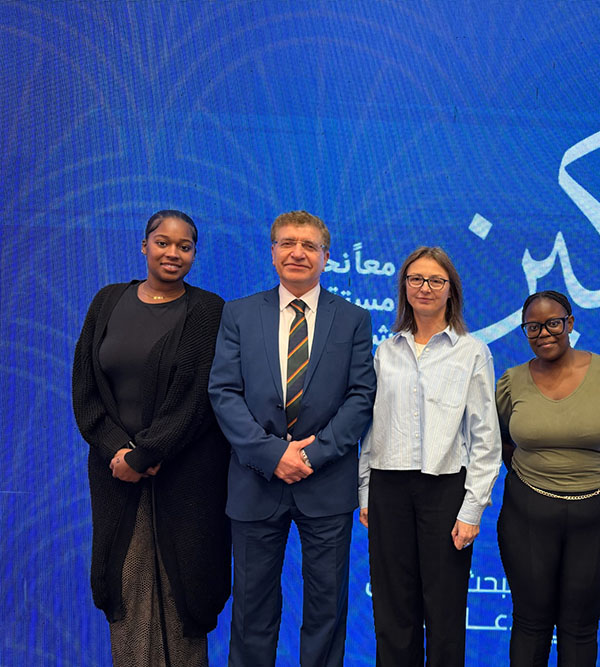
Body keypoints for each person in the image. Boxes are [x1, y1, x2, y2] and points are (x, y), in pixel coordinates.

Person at [208, 210, 376, 667]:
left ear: (326, 256)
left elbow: (362, 396)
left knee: (326, 609)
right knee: (251, 609)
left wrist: (313, 455)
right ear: (273, 251)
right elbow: (223, 392)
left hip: (325, 485)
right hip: (254, 482)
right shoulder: (239, 313)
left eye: (308, 245)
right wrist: (272, 454)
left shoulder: (354, 319)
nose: (297, 252)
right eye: (286, 243)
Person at [72, 209, 231, 667]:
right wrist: (118, 452)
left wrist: (147, 452)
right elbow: (86, 389)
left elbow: (199, 397)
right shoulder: (106, 301)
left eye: (184, 246)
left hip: (186, 477)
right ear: (144, 246)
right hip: (114, 473)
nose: (173, 253)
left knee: (185, 589)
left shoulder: (208, 310)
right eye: (163, 242)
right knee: (124, 580)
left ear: (195, 254)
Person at [359, 246, 502, 666]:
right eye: (416, 279)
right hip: (388, 488)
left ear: (451, 291)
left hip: (445, 493)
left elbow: (485, 440)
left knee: (444, 611)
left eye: (435, 280)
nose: (425, 287)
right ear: (404, 287)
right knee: (392, 611)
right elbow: (370, 430)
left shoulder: (472, 352)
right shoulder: (384, 352)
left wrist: (472, 509)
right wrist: (366, 492)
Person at [495, 289, 600, 666]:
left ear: (570, 323)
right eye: (533, 327)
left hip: (599, 516)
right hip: (526, 515)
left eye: (553, 323)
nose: (544, 333)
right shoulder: (511, 381)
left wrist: (585, 455)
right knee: (530, 622)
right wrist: (538, 467)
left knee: (579, 627)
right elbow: (497, 438)